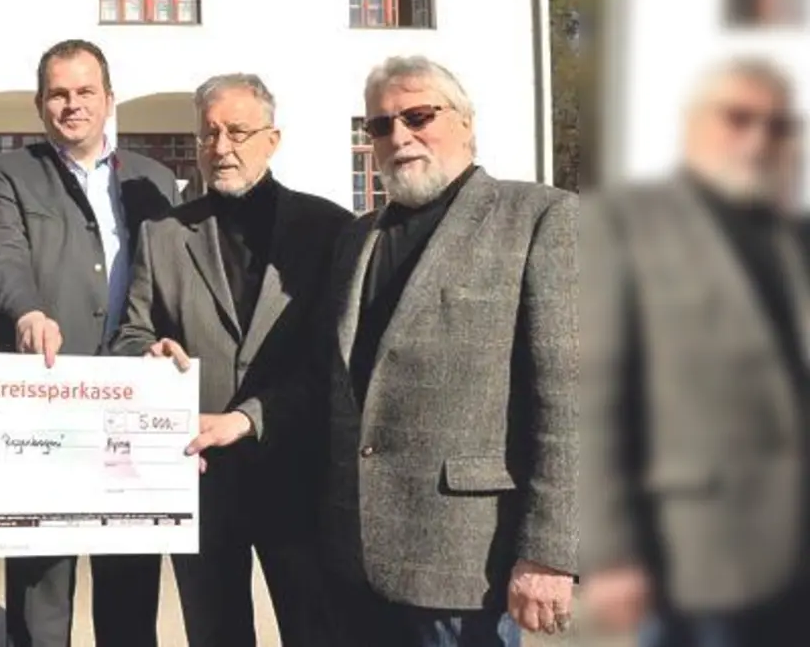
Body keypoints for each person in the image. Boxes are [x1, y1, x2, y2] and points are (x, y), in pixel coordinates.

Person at [309, 55, 577, 646]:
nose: (399, 136)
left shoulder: (538, 217)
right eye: (380, 125)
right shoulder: (357, 238)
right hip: (354, 560)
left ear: (465, 121)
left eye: (418, 116)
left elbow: (570, 400)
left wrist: (550, 553)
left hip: (465, 562)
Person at [110, 73, 351, 647]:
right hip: (200, 479)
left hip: (299, 473)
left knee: (316, 631)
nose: (221, 147)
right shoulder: (163, 234)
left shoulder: (330, 229)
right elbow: (131, 332)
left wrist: (250, 418)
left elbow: (335, 357)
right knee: (215, 633)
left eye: (238, 132)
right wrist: (148, 352)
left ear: (273, 139)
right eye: (209, 133)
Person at [581, 57, 810, 647]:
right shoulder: (630, 226)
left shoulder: (792, 237)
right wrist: (611, 553)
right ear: (694, 125)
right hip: (698, 548)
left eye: (778, 125)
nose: (758, 138)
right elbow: (600, 395)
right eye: (738, 118)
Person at [0, 39, 179, 647]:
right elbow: (1, 254)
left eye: (86, 91)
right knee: (41, 586)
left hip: (132, 399)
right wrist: (26, 312)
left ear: (110, 99)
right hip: (47, 395)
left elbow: (176, 275)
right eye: (59, 94)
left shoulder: (155, 180)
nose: (73, 105)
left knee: (129, 586)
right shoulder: (9, 174)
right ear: (40, 104)